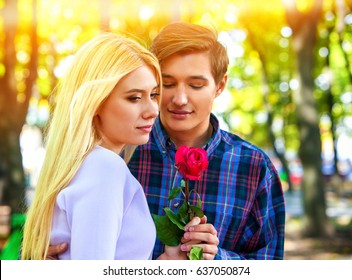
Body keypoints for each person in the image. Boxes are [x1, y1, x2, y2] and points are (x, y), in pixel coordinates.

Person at [48, 22, 286, 260]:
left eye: (196, 85)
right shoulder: (119, 150)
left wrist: (216, 261)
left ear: (220, 86)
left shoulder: (254, 167)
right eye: (167, 84)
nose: (180, 99)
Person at [21, 33, 188, 260]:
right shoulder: (104, 167)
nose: (153, 110)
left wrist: (167, 262)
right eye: (134, 98)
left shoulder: (82, 166)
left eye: (153, 95)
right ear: (96, 102)